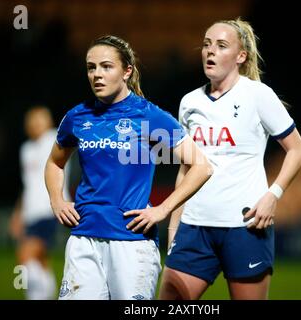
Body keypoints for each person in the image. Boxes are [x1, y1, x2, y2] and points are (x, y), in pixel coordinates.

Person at [44, 35, 212, 300]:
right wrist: (57, 200)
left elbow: (202, 166)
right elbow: (54, 163)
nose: (97, 74)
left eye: (106, 66)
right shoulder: (77, 117)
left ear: (126, 71)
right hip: (83, 239)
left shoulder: (148, 115)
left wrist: (162, 210)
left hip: (132, 242)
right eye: (91, 67)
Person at [159, 17, 301, 300]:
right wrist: (174, 226)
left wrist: (272, 195)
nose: (210, 51)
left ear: (241, 56)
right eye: (206, 44)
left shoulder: (258, 95)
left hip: (245, 226)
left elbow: (298, 150)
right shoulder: (189, 102)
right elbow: (186, 168)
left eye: (221, 45)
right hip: (195, 227)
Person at [9, 106, 69, 300]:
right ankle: (46, 293)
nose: (35, 124)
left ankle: (37, 296)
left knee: (25, 255)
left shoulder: (54, 139)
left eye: (39, 120)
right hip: (31, 212)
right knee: (39, 260)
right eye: (31, 121)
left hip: (49, 209)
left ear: (48, 122)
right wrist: (18, 213)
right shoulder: (25, 149)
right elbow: (28, 184)